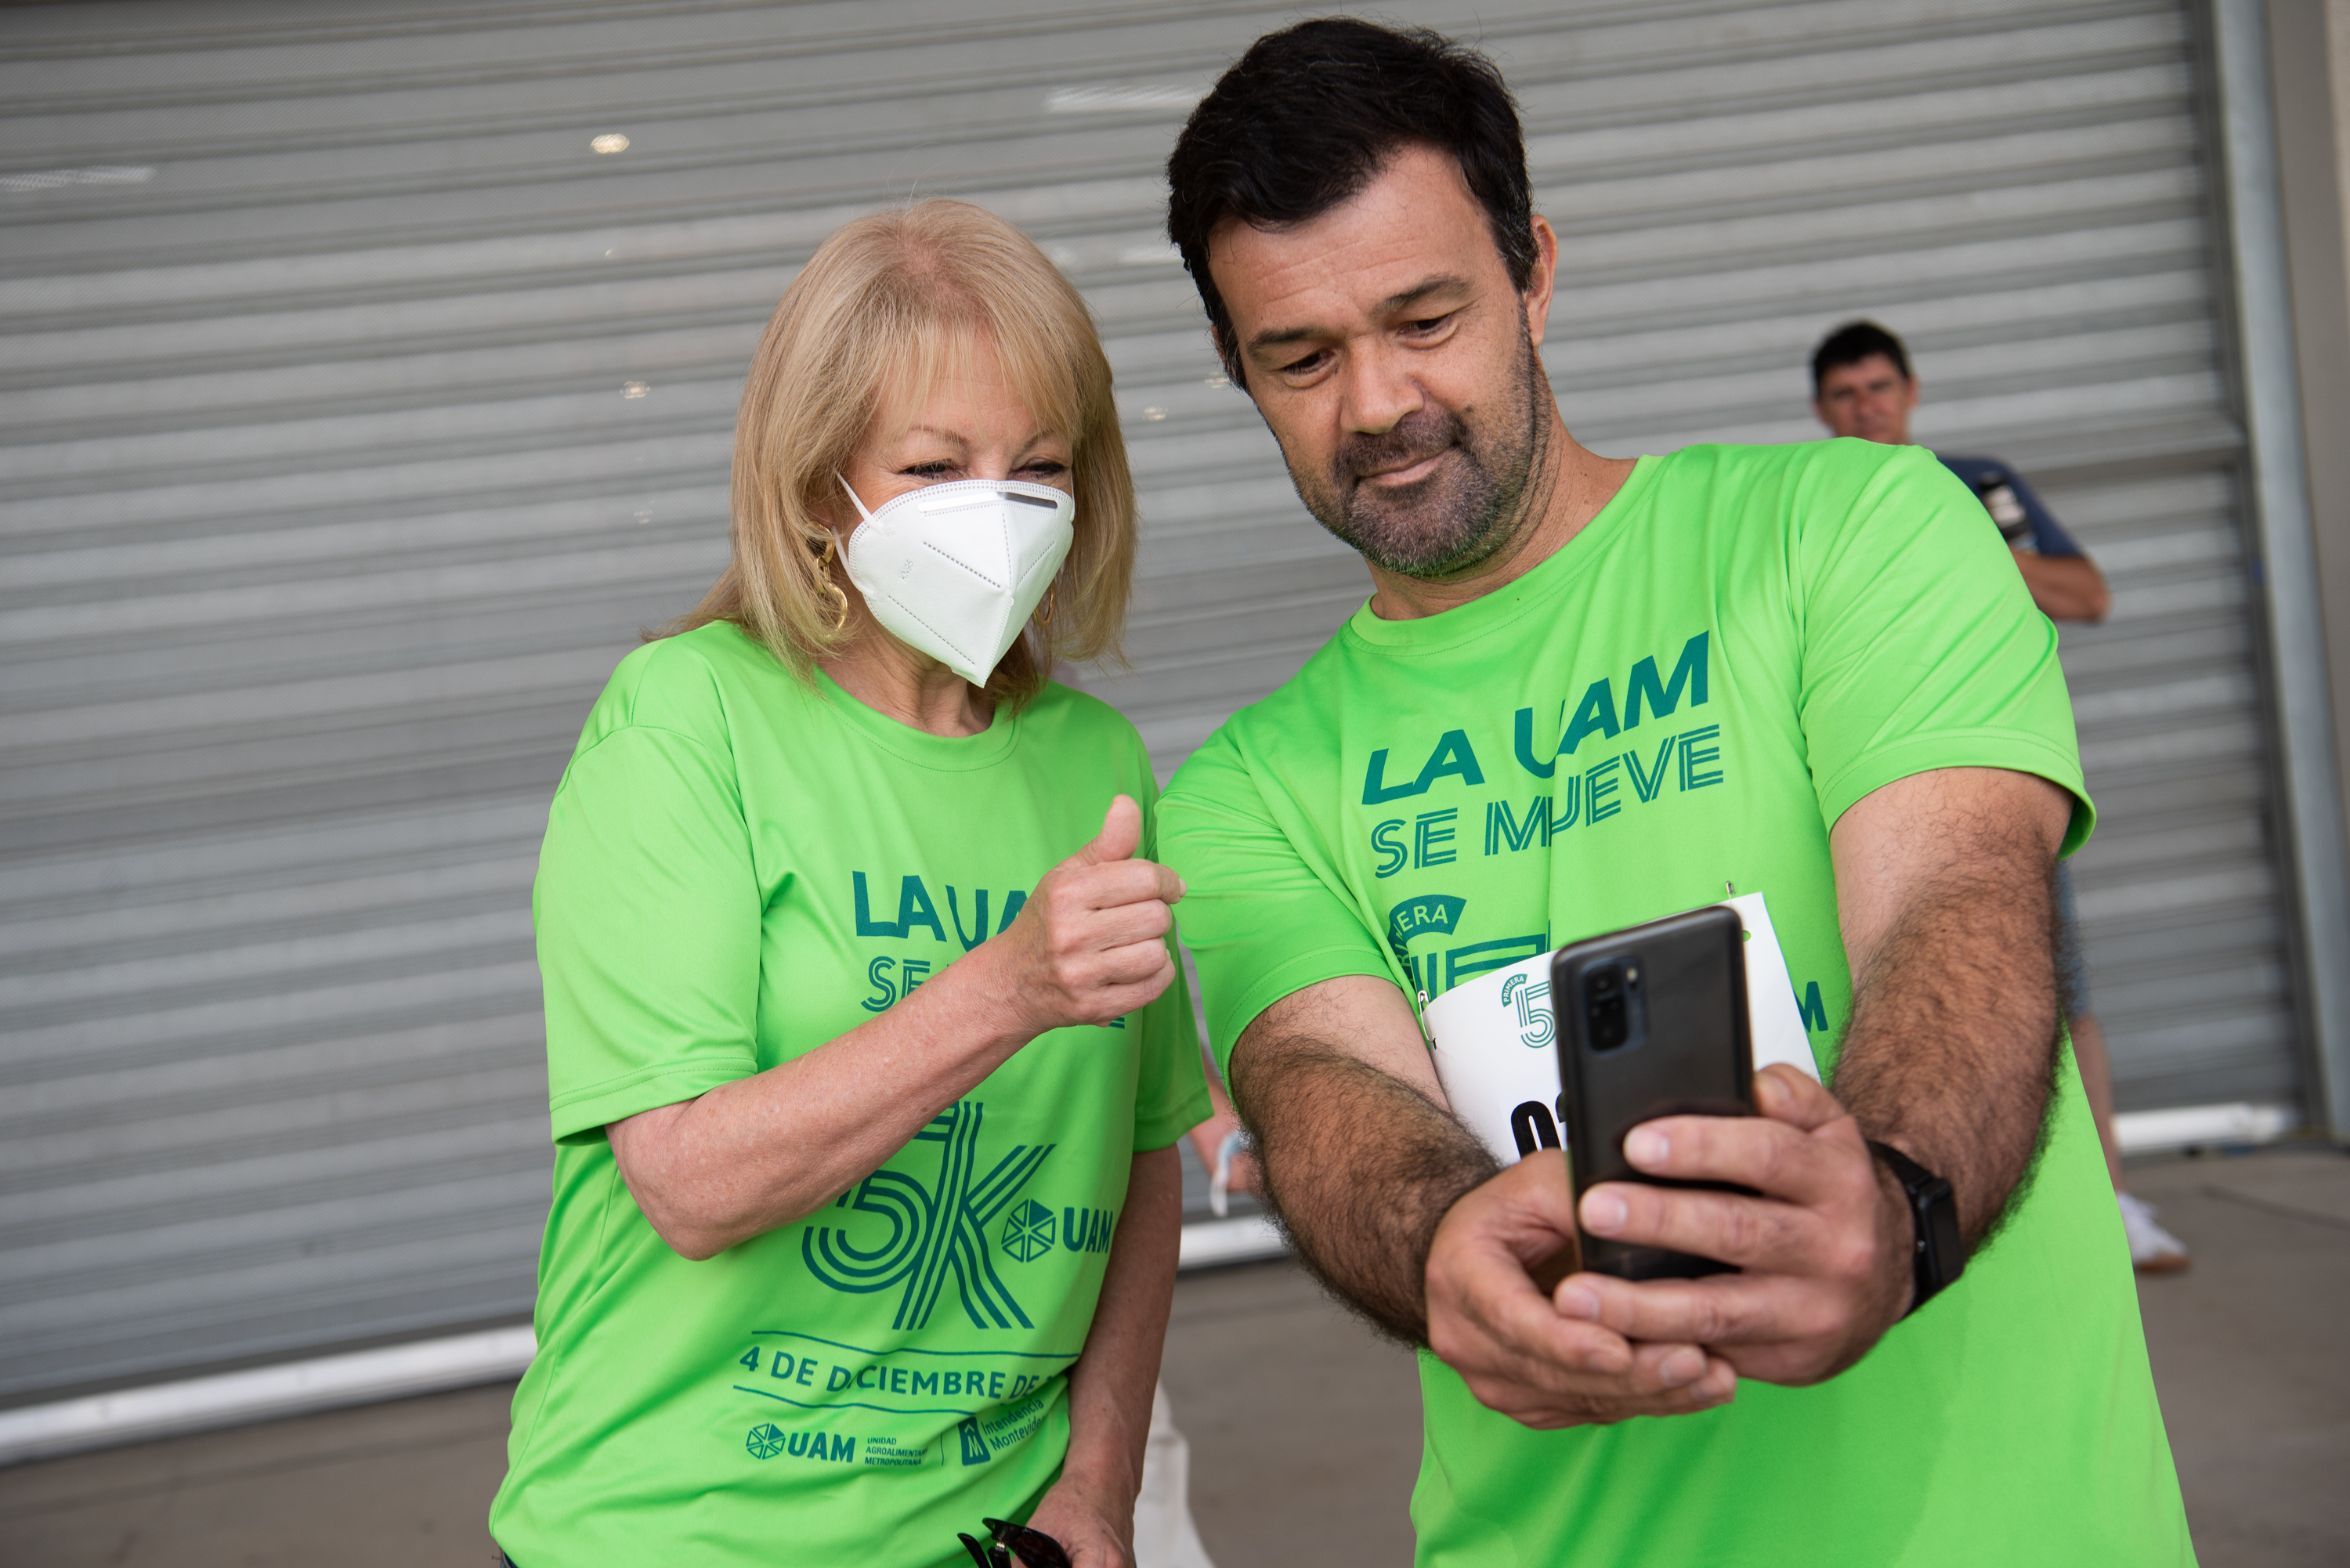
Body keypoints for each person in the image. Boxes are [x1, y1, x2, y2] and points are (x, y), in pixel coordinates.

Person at [1154, 19, 2191, 1566]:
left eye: (1425, 317)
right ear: (1237, 367)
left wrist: (1894, 1203)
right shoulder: (1248, 783)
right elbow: (1322, 1090)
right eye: (1301, 356)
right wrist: (1443, 1241)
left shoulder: (1855, 529)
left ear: (1534, 273)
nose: (1374, 401)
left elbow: (1957, 897)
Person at [487, 201, 1209, 1567]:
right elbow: (688, 1181)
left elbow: (1141, 1156)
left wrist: (1100, 1485)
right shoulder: (686, 721)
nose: (995, 511)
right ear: (822, 487)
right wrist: (1008, 988)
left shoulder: (1096, 761)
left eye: (1039, 467)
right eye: (934, 465)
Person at [1810, 318, 2189, 1273]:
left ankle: (2111, 1203)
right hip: (1865, 778)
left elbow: (2088, 595)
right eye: (1847, 394)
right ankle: (1937, 1215)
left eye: (1879, 388)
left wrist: (1953, 535)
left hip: (1995, 767)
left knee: (2061, 994)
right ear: (1820, 410)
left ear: (1911, 392)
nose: (1866, 407)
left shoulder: (1977, 486)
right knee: (1900, 988)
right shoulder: (1815, 501)